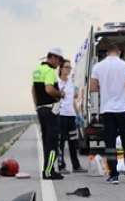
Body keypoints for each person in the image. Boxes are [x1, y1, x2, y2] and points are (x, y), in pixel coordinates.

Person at [89, 41, 125, 184]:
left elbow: (92, 87)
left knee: (110, 143)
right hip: (124, 109)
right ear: (119, 52)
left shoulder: (98, 67)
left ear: (107, 52)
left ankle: (113, 175)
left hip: (107, 109)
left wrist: (105, 87)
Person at [32, 48, 65, 180]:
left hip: (41, 109)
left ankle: (47, 170)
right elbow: (49, 89)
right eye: (59, 59)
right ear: (52, 58)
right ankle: (49, 171)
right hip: (51, 110)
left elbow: (34, 90)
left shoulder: (37, 70)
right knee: (52, 144)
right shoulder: (50, 71)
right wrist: (60, 94)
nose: (59, 63)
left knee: (46, 142)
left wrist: (37, 107)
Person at [57, 59, 87, 174]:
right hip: (61, 116)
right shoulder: (57, 82)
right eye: (66, 67)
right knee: (61, 142)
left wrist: (78, 114)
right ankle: (61, 166)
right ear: (61, 68)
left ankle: (76, 166)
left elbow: (73, 100)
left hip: (71, 116)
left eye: (70, 67)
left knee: (73, 142)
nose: (69, 69)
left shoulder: (71, 82)